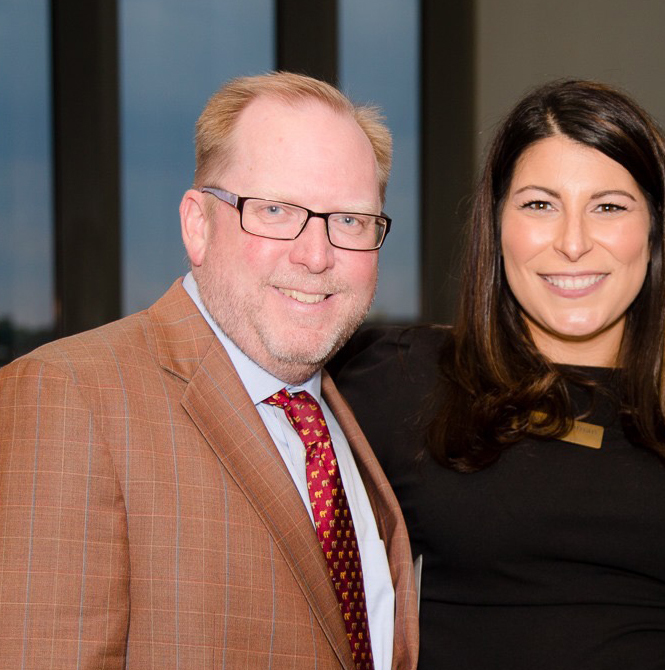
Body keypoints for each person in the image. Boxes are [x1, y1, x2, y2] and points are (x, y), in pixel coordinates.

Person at [329, 78, 665, 669]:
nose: (573, 243)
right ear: (497, 225)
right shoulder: (403, 381)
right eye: (540, 205)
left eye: (609, 207)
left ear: (656, 228)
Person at [0, 72, 418, 669]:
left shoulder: (343, 418)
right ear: (198, 224)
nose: (317, 254)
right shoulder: (67, 397)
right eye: (275, 210)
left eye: (350, 220)